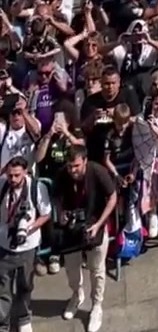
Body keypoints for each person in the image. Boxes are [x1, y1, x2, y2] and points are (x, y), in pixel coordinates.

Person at [54, 141, 117, 332]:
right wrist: (61, 213)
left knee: (97, 270)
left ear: (85, 161)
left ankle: (96, 305)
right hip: (72, 228)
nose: (72, 170)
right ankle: (76, 294)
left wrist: (99, 224)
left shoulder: (97, 171)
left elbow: (113, 197)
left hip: (94, 225)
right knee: (71, 269)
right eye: (69, 166)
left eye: (76, 166)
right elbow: (56, 197)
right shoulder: (62, 175)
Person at [0, 152, 51, 332]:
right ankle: (3, 323)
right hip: (4, 245)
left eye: (17, 175)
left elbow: (45, 214)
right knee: (3, 288)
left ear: (26, 172)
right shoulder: (2, 185)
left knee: (25, 285)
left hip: (28, 246)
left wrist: (28, 228)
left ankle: (23, 318)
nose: (13, 179)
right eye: (10, 175)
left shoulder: (36, 188)